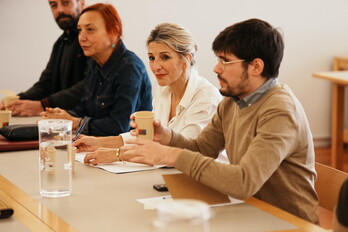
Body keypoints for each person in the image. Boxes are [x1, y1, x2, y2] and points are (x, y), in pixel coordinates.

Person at [118, 18, 319, 224]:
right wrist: (168, 137)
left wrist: (171, 155)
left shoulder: (280, 111)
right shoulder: (233, 102)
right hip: (249, 212)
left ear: (256, 66)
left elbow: (243, 181)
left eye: (225, 61)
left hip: (286, 222)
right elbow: (203, 148)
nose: (216, 68)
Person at [77, 23, 222, 163]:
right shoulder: (164, 90)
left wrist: (118, 154)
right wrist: (98, 142)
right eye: (152, 58)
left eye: (165, 57)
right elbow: (147, 137)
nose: (155, 66)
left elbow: (185, 153)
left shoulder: (206, 98)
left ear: (186, 60)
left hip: (204, 182)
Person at [41, 3, 152, 136]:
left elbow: (119, 126)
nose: (82, 37)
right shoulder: (94, 63)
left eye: (90, 29)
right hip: (95, 145)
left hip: (126, 151)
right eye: (80, 30)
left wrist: (75, 122)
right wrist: (63, 115)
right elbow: (85, 108)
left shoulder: (130, 68)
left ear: (114, 32)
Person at [3, 0, 87, 117]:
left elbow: (90, 85)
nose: (60, 10)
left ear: (81, 3)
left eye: (66, 2)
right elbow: (46, 83)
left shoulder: (90, 40)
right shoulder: (61, 43)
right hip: (66, 121)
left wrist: (42, 105)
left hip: (89, 123)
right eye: (53, 5)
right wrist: (16, 100)